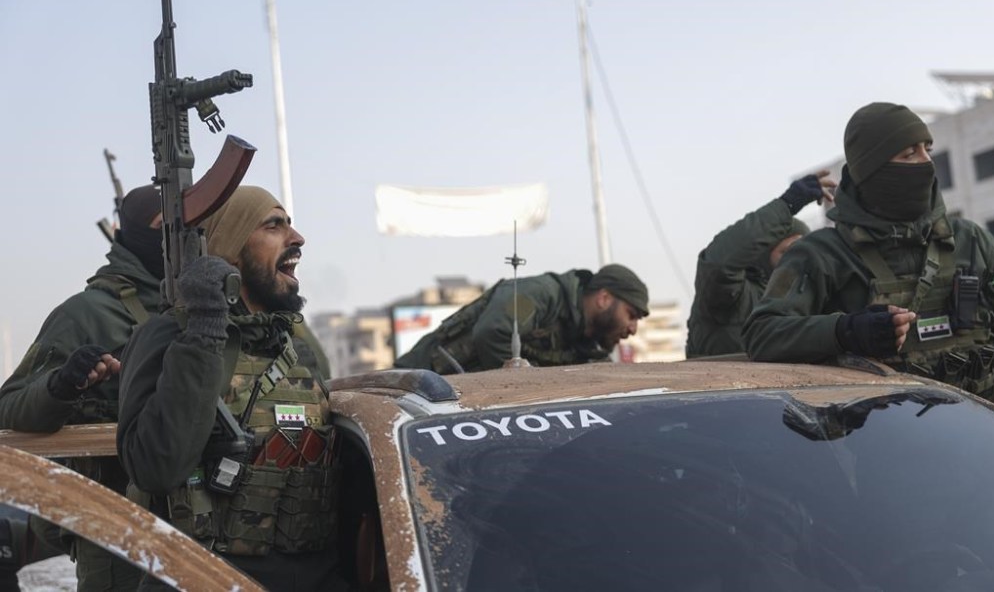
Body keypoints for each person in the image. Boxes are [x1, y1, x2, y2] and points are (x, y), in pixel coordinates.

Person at [116, 186, 339, 591]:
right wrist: (205, 326)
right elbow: (156, 467)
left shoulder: (297, 349)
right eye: (274, 225)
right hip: (206, 579)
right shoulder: (171, 335)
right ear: (231, 249)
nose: (297, 238)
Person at [742, 102, 994, 402]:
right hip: (880, 440)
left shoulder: (969, 240)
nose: (926, 162)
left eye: (927, 149)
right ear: (874, 171)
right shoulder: (822, 254)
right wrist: (846, 331)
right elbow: (762, 335)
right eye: (909, 154)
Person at [0, 185, 165, 591]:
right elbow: (9, 408)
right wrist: (61, 386)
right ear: (134, 234)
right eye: (166, 227)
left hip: (206, 526)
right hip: (116, 532)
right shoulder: (87, 313)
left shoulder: (212, 307)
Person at [685, 170, 836, 358]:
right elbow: (718, 264)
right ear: (764, 253)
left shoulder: (806, 299)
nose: (797, 259)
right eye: (788, 251)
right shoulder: (733, 297)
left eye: (802, 252)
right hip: (720, 386)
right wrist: (788, 204)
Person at [394, 263, 649, 373]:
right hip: (413, 387)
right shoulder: (543, 294)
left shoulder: (585, 346)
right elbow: (494, 332)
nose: (633, 328)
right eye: (631, 315)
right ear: (604, 299)